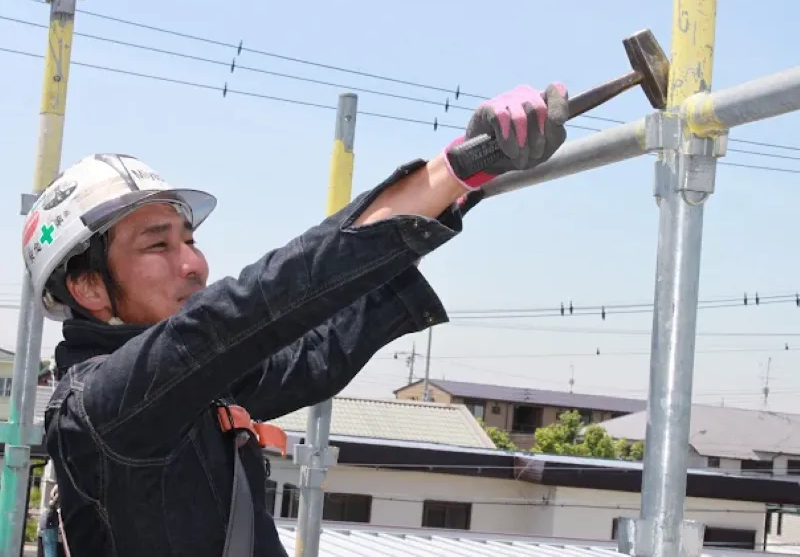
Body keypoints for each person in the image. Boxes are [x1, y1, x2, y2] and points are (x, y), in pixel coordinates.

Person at [24, 83, 569, 557]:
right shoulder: (103, 405)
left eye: (189, 239)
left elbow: (317, 348)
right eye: (158, 245)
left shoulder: (197, 389)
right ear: (89, 286)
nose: (193, 264)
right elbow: (260, 303)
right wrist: (447, 172)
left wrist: (457, 192)